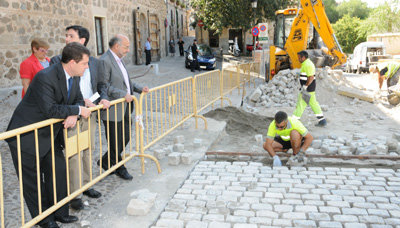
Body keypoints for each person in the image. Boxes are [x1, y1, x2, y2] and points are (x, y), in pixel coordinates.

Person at [6, 42, 92, 228]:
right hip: (26, 136)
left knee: (58, 172)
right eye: (84, 63)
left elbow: (77, 98)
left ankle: (60, 213)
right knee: (34, 182)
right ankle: (44, 220)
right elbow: (50, 109)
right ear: (72, 62)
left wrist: (73, 112)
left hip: (49, 135)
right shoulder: (45, 77)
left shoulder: (75, 76)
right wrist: (77, 110)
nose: (87, 67)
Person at [50, 25, 110, 211]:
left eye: (71, 36)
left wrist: (103, 98)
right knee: (73, 154)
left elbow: (101, 84)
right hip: (72, 114)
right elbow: (59, 92)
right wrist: (76, 108)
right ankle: (74, 194)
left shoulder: (93, 62)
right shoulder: (56, 61)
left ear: (82, 40)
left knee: (87, 150)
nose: (67, 39)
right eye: (66, 35)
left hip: (89, 112)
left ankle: (86, 185)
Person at [100, 34, 149, 180]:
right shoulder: (105, 61)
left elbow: (126, 82)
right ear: (117, 46)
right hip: (113, 109)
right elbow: (103, 86)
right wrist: (122, 94)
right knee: (116, 141)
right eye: (126, 47)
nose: (128, 50)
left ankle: (106, 161)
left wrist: (140, 88)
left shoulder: (119, 61)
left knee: (125, 137)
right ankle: (119, 167)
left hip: (126, 107)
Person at [293, 50, 327, 127]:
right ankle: (322, 120)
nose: (298, 59)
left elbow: (311, 77)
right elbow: (308, 75)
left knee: (300, 104)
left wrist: (305, 86)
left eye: (299, 58)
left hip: (307, 89)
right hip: (310, 88)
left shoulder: (307, 64)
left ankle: (294, 121)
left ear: (303, 57)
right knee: (314, 104)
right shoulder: (306, 63)